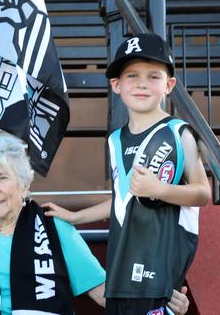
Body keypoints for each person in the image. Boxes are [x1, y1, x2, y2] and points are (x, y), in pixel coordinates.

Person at [43, 33, 210, 315]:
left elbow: (202, 193)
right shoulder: (115, 140)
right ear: (116, 85)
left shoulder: (179, 133)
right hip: (121, 276)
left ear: (169, 85)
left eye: (153, 76)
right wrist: (76, 217)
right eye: (132, 75)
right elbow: (122, 199)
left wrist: (160, 190)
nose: (142, 83)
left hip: (159, 280)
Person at [0, 133, 191, 315]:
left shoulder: (54, 227)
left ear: (24, 185)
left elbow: (103, 293)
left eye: (1, 178)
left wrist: (158, 297)